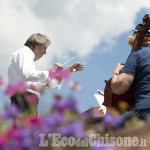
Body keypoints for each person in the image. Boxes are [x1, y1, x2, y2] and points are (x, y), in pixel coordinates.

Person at [8, 33, 84, 115]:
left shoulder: (25, 58)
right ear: (36, 45)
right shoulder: (25, 52)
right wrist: (51, 71)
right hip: (23, 100)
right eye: (44, 48)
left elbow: (43, 86)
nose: (45, 53)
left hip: (27, 101)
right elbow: (27, 74)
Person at [111, 14, 150, 120]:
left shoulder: (139, 53)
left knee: (102, 132)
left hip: (145, 113)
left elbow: (118, 87)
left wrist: (117, 70)